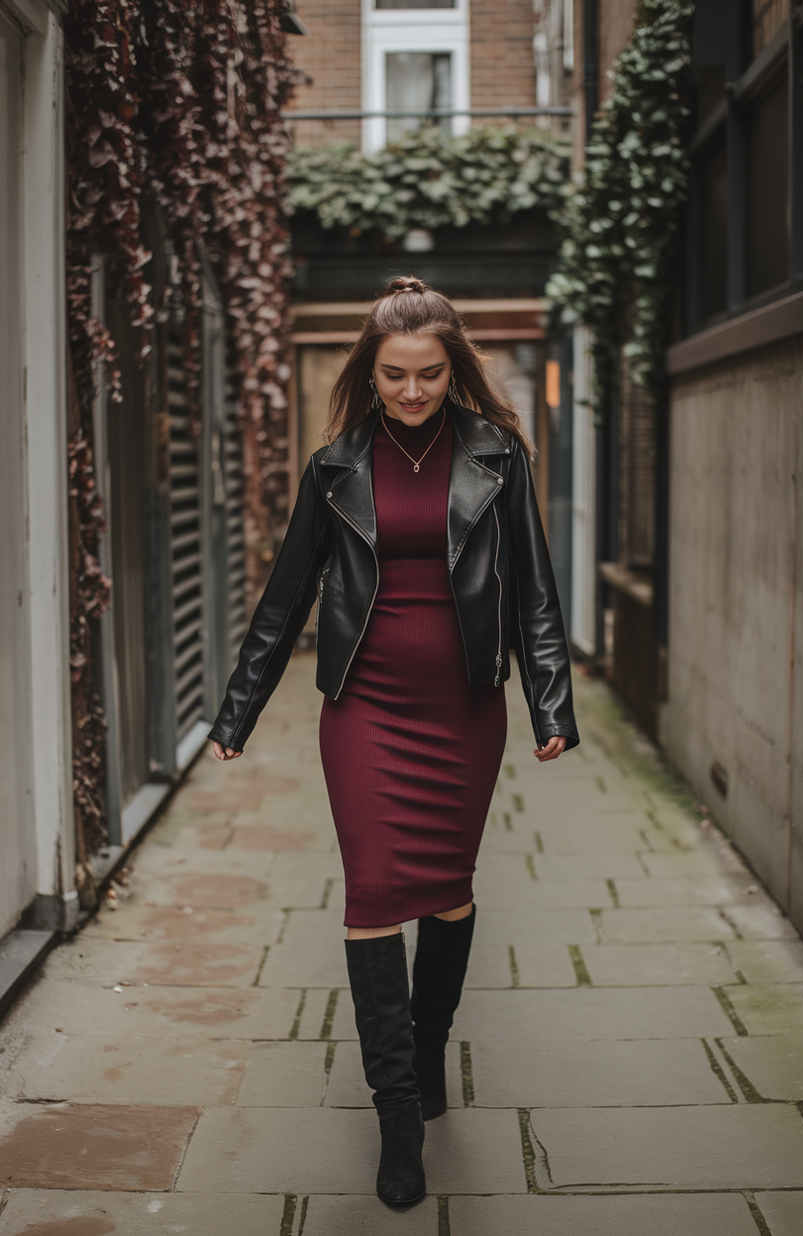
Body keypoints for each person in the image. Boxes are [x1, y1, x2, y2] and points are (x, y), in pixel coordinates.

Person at [208, 276, 578, 1207]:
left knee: (448, 894)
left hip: (464, 710)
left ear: (452, 370)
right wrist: (238, 710)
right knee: (373, 893)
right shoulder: (335, 466)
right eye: (394, 377)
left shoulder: (498, 456)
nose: (411, 393)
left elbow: (533, 587)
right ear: (368, 376)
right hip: (363, 709)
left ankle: (424, 1047)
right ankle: (399, 1115)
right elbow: (286, 594)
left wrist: (551, 707)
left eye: (427, 375)